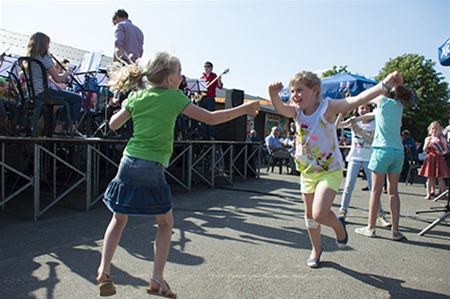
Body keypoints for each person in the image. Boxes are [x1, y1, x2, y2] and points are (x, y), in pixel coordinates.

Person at [96, 51, 260, 297]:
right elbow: (212, 118)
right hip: (153, 168)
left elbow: (113, 125)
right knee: (165, 224)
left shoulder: (136, 96)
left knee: (119, 220)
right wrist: (243, 109)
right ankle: (157, 279)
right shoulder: (175, 98)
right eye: (179, 72)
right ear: (171, 79)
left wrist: (126, 104)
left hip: (128, 163)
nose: (182, 76)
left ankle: (104, 270)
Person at [268, 70, 402, 268]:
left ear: (314, 91)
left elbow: (356, 100)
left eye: (299, 90)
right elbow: (280, 108)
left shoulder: (327, 108)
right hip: (307, 172)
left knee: (319, 213)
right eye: (293, 90)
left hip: (329, 170)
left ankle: (339, 226)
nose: (295, 94)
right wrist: (272, 94)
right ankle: (316, 249)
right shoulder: (296, 112)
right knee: (309, 216)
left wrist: (385, 84)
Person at [354, 84, 413, 241]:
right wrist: (358, 118)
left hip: (381, 150)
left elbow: (365, 97)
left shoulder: (382, 100)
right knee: (393, 192)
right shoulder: (399, 106)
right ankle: (396, 231)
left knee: (376, 191)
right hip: (397, 151)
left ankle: (370, 228)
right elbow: (374, 114)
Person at [338, 104, 391, 227]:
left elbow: (372, 141)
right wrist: (341, 115)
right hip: (355, 157)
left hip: (370, 158)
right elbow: (336, 126)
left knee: (374, 188)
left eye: (366, 108)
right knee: (348, 186)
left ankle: (380, 215)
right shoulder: (353, 121)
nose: (363, 110)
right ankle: (343, 211)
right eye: (361, 108)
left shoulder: (375, 123)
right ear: (357, 110)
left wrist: (360, 132)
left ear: (370, 110)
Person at [26, 32, 82, 136]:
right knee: (77, 99)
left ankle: (58, 129)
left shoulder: (30, 57)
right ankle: (70, 128)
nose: (49, 46)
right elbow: (58, 79)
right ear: (44, 44)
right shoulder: (44, 57)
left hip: (35, 93)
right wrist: (67, 73)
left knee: (68, 99)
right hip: (44, 93)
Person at [418, 121, 450, 199]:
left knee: (440, 177)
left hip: (439, 158)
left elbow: (447, 150)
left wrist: (442, 152)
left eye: (436, 129)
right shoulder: (428, 138)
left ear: (439, 130)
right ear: (430, 130)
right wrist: (428, 143)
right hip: (430, 158)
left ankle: (443, 193)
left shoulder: (442, 139)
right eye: (433, 129)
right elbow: (424, 150)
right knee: (429, 177)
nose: (434, 131)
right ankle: (429, 194)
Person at [198, 61, 223, 139]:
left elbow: (220, 86)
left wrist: (218, 79)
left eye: (208, 66)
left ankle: (211, 135)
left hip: (210, 98)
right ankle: (203, 135)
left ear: (211, 68)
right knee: (202, 116)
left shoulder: (214, 76)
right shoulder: (202, 77)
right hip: (202, 98)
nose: (206, 68)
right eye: (205, 66)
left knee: (210, 116)